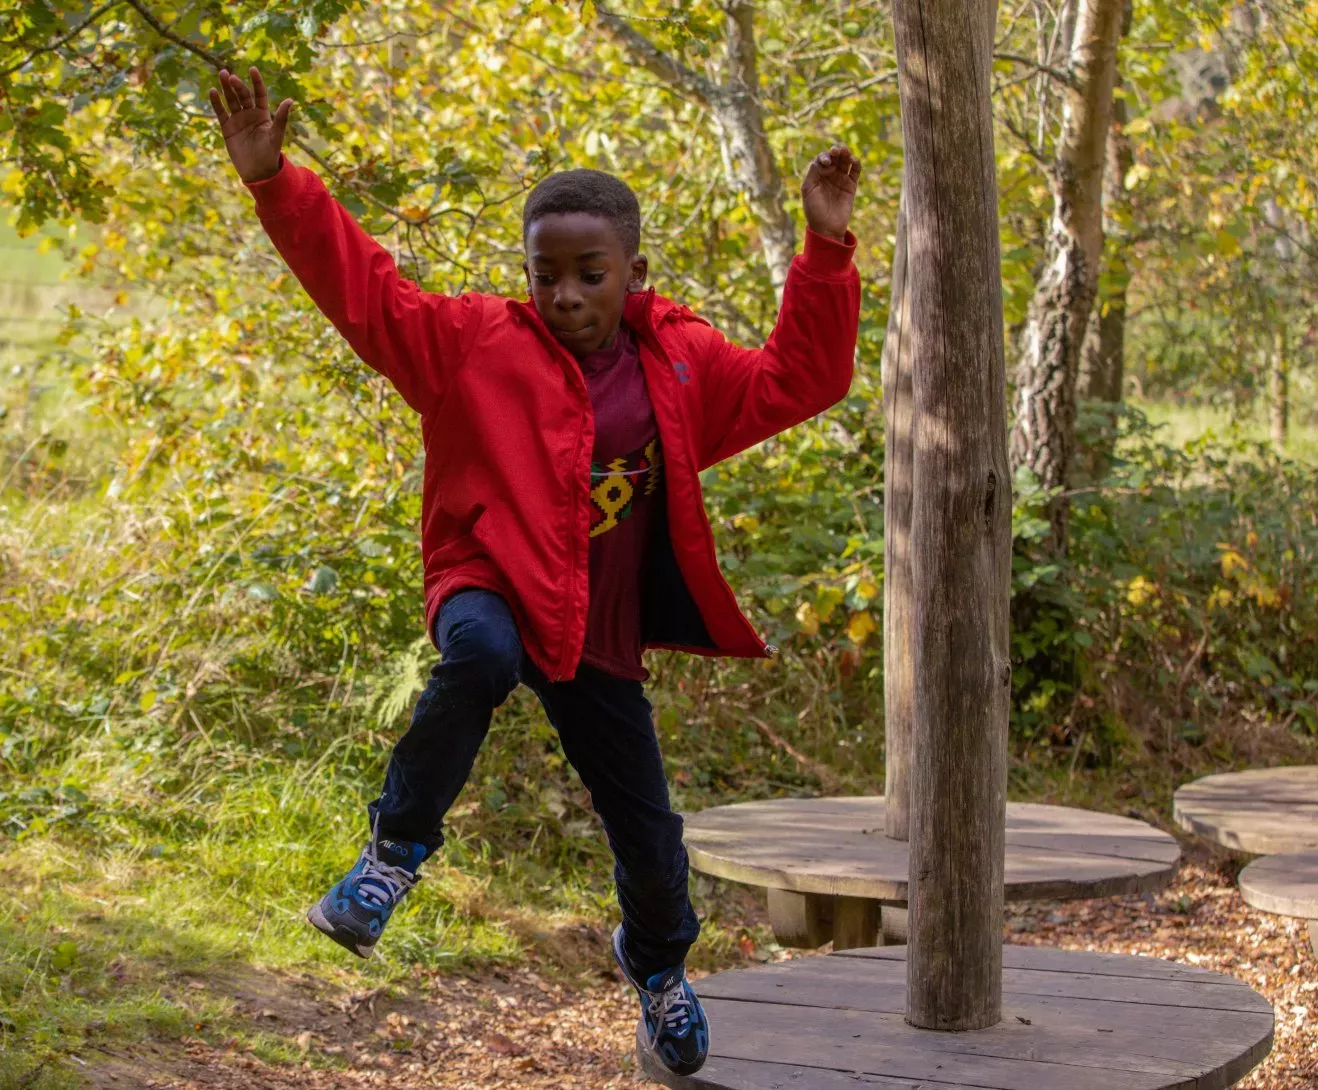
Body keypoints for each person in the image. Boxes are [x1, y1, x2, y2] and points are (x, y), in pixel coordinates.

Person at [208, 66, 860, 1085]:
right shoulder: (469, 344)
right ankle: (390, 857)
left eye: (588, 273)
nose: (562, 294)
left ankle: (655, 970)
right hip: (488, 580)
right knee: (477, 651)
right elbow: (363, 291)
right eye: (544, 272)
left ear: (631, 271)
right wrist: (272, 181)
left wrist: (823, 244)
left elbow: (800, 378)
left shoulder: (680, 367)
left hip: (594, 631)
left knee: (650, 839)